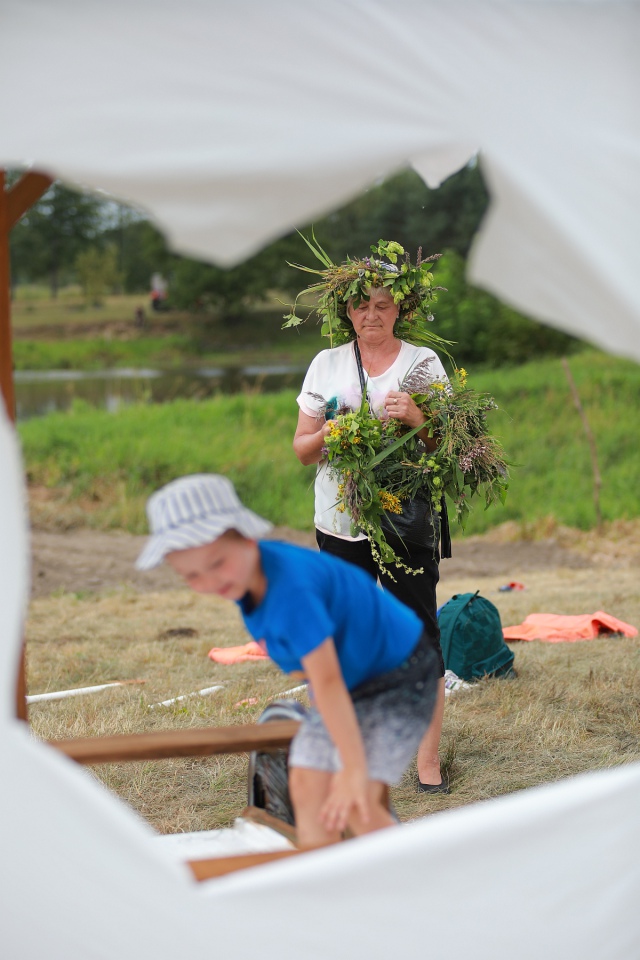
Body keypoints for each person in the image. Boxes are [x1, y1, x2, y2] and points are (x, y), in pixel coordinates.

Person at [136, 474, 440, 847]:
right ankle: (319, 876)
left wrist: (353, 766)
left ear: (247, 538)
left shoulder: (290, 590)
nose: (210, 581)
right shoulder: (250, 577)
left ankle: (410, 886)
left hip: (400, 674)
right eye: (192, 575)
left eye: (217, 563)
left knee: (358, 797)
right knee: (306, 780)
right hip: (354, 679)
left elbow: (325, 681)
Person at [291, 242, 451, 793]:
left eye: (382, 305)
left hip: (402, 520)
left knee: (418, 637)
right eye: (361, 306)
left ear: (400, 309)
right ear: (349, 312)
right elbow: (301, 449)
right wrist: (328, 435)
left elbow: (448, 448)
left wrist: (418, 418)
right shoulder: (326, 363)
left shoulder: (422, 364)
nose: (371, 315)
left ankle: (426, 760)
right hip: (338, 519)